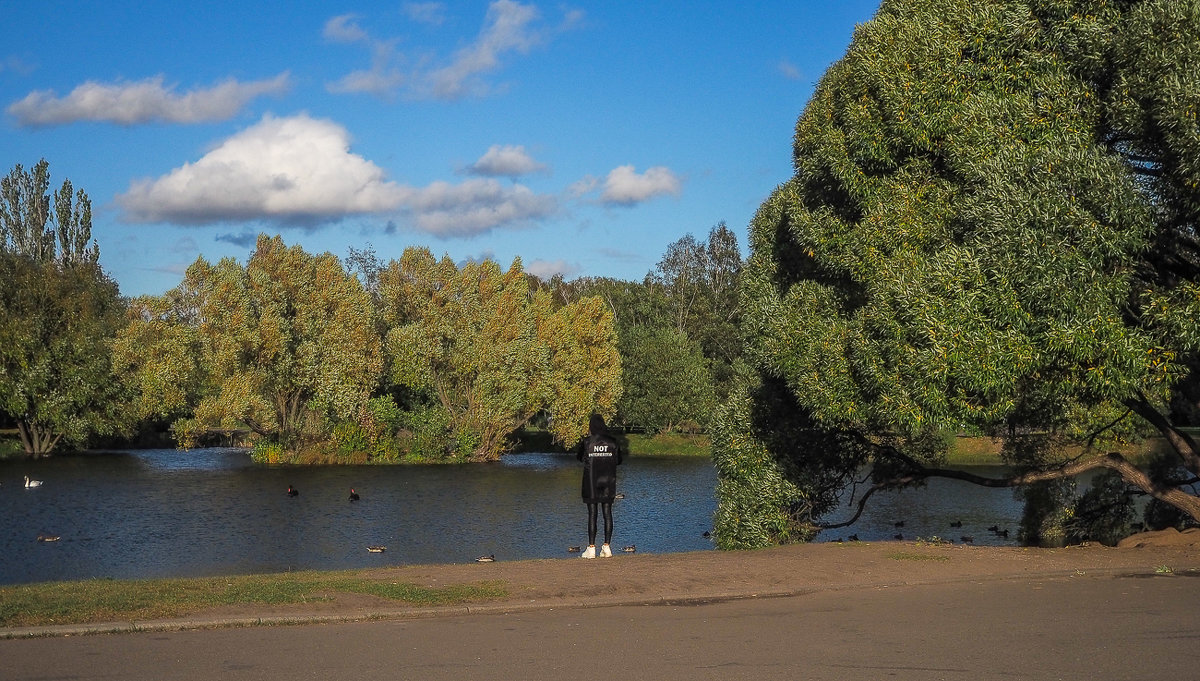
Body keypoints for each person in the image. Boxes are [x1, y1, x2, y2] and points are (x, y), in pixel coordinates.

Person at [576, 414, 623, 558]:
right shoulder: (613, 442)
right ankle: (607, 547)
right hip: (608, 481)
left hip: (591, 482)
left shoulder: (587, 442)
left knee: (592, 514)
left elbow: (579, 457)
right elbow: (619, 460)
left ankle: (591, 549)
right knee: (607, 513)